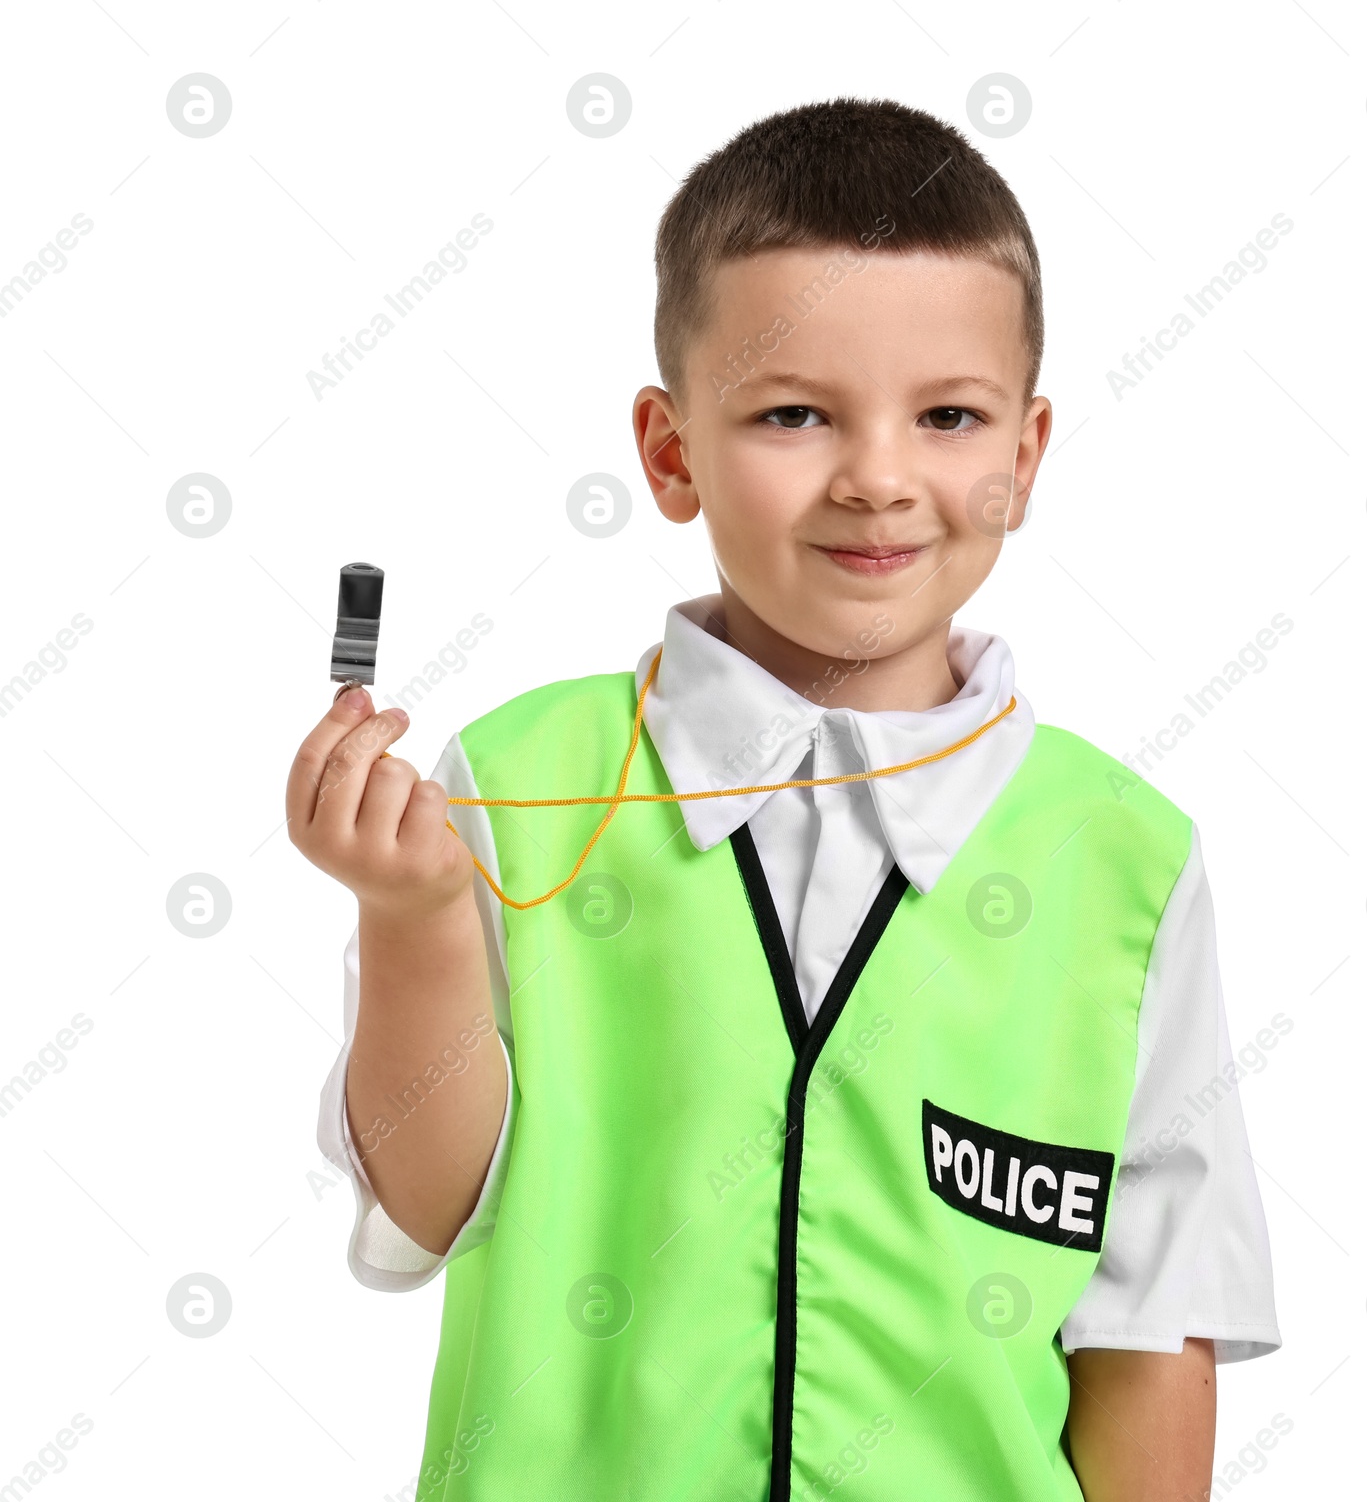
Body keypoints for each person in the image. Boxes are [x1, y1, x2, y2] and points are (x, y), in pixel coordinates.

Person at [288, 97, 1280, 1502]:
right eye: (794, 414)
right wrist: (411, 922)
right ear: (672, 450)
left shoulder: (1119, 858)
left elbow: (1148, 1328)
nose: (877, 478)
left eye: (947, 416)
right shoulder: (518, 790)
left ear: (1027, 455)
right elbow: (430, 1202)